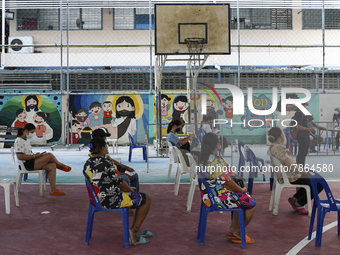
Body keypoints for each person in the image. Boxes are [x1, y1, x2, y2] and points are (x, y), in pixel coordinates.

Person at [83, 138, 151, 246]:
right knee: (146, 199)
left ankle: (133, 230)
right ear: (102, 149)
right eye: (106, 147)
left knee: (139, 197)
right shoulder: (107, 163)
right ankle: (133, 231)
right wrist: (133, 192)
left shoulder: (87, 163)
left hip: (96, 199)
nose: (107, 149)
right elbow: (120, 183)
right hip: (111, 200)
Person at [199, 132, 256, 244]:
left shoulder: (202, 159)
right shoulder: (218, 161)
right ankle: (239, 232)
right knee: (250, 203)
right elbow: (227, 182)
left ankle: (232, 229)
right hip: (218, 198)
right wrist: (241, 189)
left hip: (207, 196)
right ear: (217, 145)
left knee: (241, 198)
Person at [267, 127, 323, 215]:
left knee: (311, 179)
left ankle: (295, 199)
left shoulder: (272, 147)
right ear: (281, 136)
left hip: (284, 175)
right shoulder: (280, 150)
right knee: (319, 183)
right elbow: (293, 168)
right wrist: (307, 173)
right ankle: (299, 203)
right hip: (291, 177)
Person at [14, 123, 71, 196]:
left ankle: (53, 190)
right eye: (31, 132)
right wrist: (34, 156)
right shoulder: (19, 140)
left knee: (52, 165)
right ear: (26, 131)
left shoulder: (27, 140)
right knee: (50, 155)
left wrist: (36, 155)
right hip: (26, 164)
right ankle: (61, 165)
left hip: (31, 161)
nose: (32, 134)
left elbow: (28, 153)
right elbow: (20, 157)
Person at [91, 127, 139, 193]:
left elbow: (111, 161)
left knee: (134, 175)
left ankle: (134, 197)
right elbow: (109, 173)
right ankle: (132, 197)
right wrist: (124, 174)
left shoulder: (102, 154)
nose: (106, 139)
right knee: (125, 179)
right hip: (106, 180)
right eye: (104, 137)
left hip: (111, 173)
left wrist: (126, 167)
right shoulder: (100, 159)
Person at [294, 101, 315, 166]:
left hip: (305, 135)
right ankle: (298, 168)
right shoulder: (299, 113)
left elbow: (305, 125)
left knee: (305, 153)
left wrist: (311, 133)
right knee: (301, 153)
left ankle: (302, 167)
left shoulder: (304, 114)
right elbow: (298, 126)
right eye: (306, 105)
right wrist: (309, 129)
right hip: (301, 135)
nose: (307, 107)